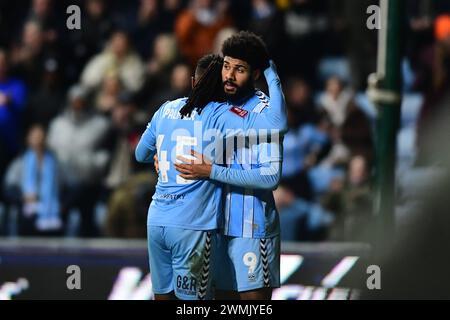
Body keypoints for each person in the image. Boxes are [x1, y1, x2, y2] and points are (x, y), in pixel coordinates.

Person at [136, 47, 286, 300]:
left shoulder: (260, 109)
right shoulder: (217, 112)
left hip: (247, 225)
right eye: (227, 69)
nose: (230, 76)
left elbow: (270, 177)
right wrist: (163, 156)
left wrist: (211, 171)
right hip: (211, 224)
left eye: (238, 69)